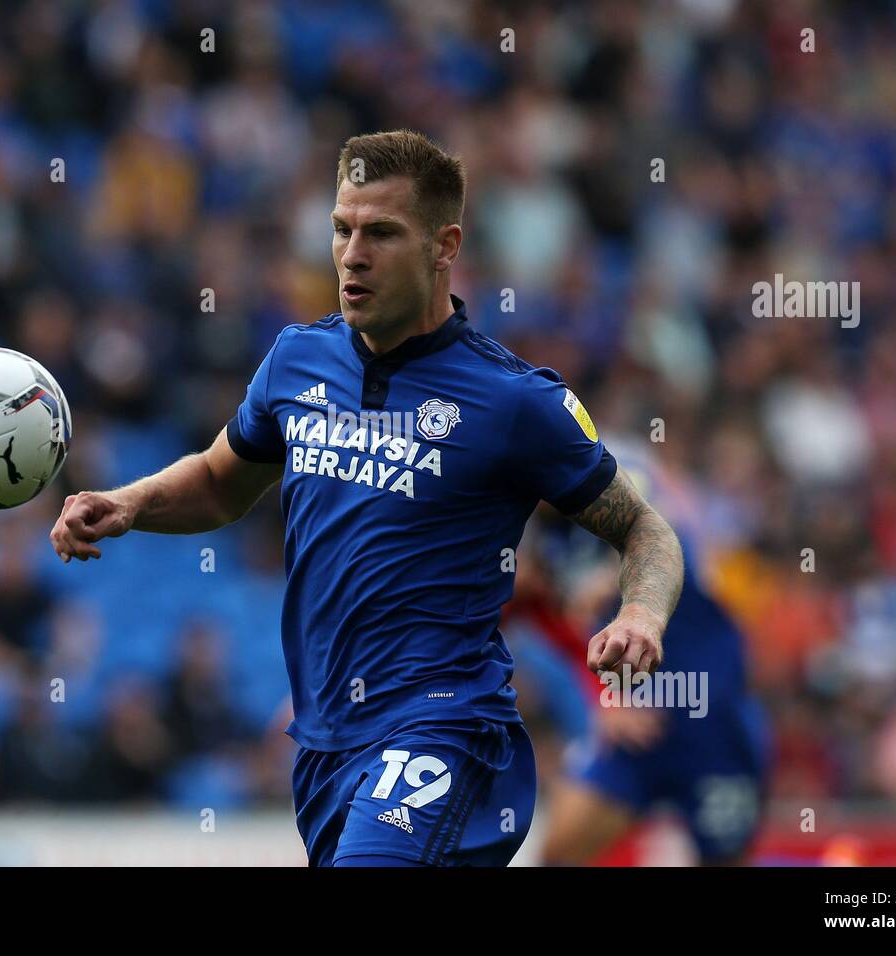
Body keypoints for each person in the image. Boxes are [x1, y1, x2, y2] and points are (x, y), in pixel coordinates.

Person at [49, 130, 684, 867]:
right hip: (325, 745)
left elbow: (645, 531)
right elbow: (222, 482)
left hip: (444, 728)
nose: (353, 255)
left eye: (382, 233)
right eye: (342, 229)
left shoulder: (515, 402)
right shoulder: (295, 359)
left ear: (444, 246)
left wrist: (639, 612)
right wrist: (132, 503)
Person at [541, 440, 770, 866]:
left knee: (727, 859)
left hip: (710, 718)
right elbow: (560, 630)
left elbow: (661, 534)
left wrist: (611, 578)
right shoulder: (544, 538)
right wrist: (600, 702)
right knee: (556, 852)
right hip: (636, 723)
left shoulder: (621, 479)